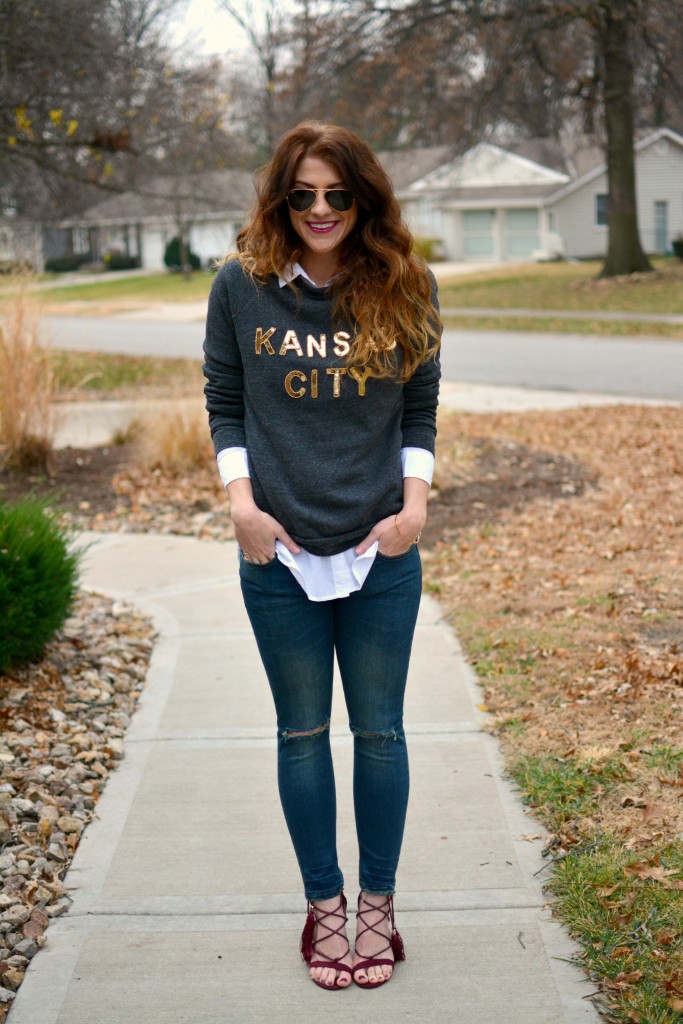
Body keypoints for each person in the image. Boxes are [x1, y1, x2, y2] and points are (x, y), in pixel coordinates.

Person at [202, 120, 441, 991]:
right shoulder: (242, 287)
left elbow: (420, 409)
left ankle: (377, 908)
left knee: (379, 734)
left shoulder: (404, 284)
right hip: (279, 553)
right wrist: (242, 507)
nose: (320, 209)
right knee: (302, 734)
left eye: (337, 194)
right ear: (280, 198)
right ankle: (324, 909)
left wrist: (413, 509)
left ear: (363, 198)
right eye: (301, 194)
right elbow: (224, 400)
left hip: (381, 549)